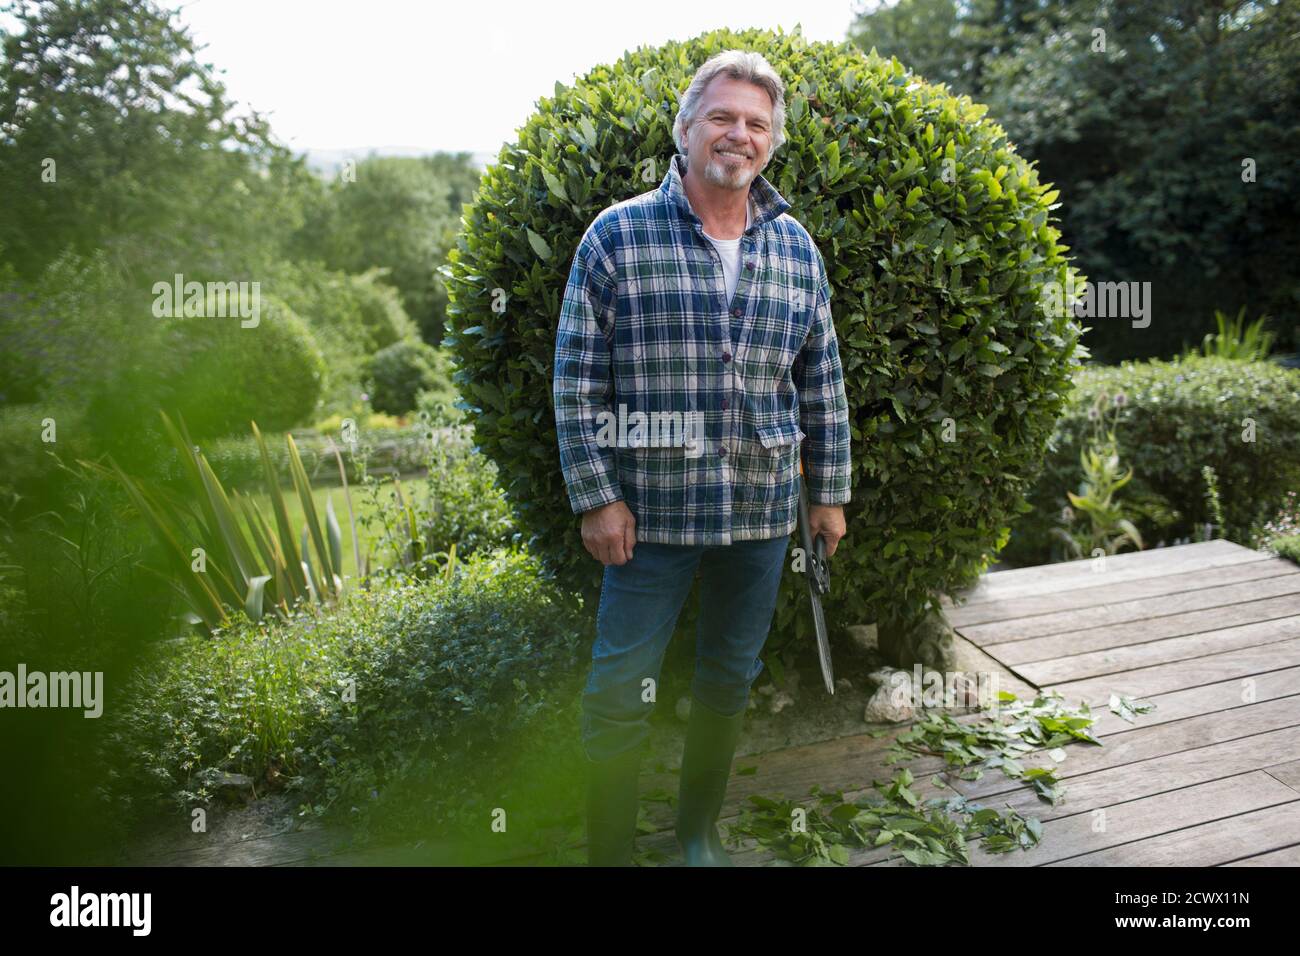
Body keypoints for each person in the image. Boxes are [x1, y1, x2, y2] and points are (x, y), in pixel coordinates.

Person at [552, 48, 851, 866]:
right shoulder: (616, 235)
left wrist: (827, 494)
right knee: (618, 695)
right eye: (722, 116)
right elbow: (576, 376)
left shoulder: (796, 249)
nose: (739, 134)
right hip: (648, 518)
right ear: (685, 129)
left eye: (757, 124)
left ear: (771, 143)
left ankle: (697, 834)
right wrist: (596, 494)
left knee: (728, 681)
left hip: (760, 514)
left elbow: (821, 377)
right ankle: (609, 851)